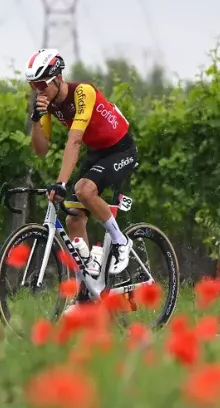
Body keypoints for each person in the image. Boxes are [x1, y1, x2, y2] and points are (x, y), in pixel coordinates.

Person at [24, 48, 137, 278]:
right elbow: (41, 150)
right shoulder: (48, 105)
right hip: (97, 153)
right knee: (74, 219)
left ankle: (121, 241)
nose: (38, 91)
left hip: (121, 149)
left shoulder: (82, 92)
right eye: (33, 86)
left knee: (84, 189)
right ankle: (90, 286)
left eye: (42, 84)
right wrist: (36, 119)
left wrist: (61, 183)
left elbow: (75, 141)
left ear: (57, 78)